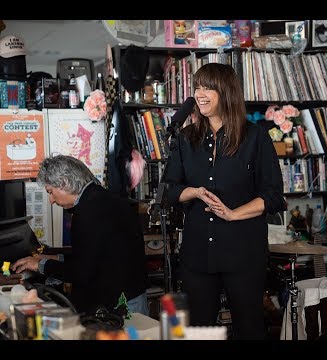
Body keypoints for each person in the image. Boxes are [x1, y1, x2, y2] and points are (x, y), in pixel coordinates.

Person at [163, 63, 286, 339]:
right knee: (198, 331)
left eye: (208, 87)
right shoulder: (185, 139)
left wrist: (233, 214)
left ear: (227, 92)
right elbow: (169, 190)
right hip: (197, 256)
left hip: (243, 254)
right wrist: (194, 192)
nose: (200, 94)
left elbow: (274, 196)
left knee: (250, 328)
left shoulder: (255, 137)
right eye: (197, 87)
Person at [12, 154, 148, 316]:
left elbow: (82, 272)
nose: (51, 200)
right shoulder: (104, 198)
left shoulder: (88, 212)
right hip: (133, 296)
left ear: (63, 182)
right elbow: (96, 256)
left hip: (120, 304)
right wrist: (51, 259)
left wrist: (40, 266)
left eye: (51, 192)